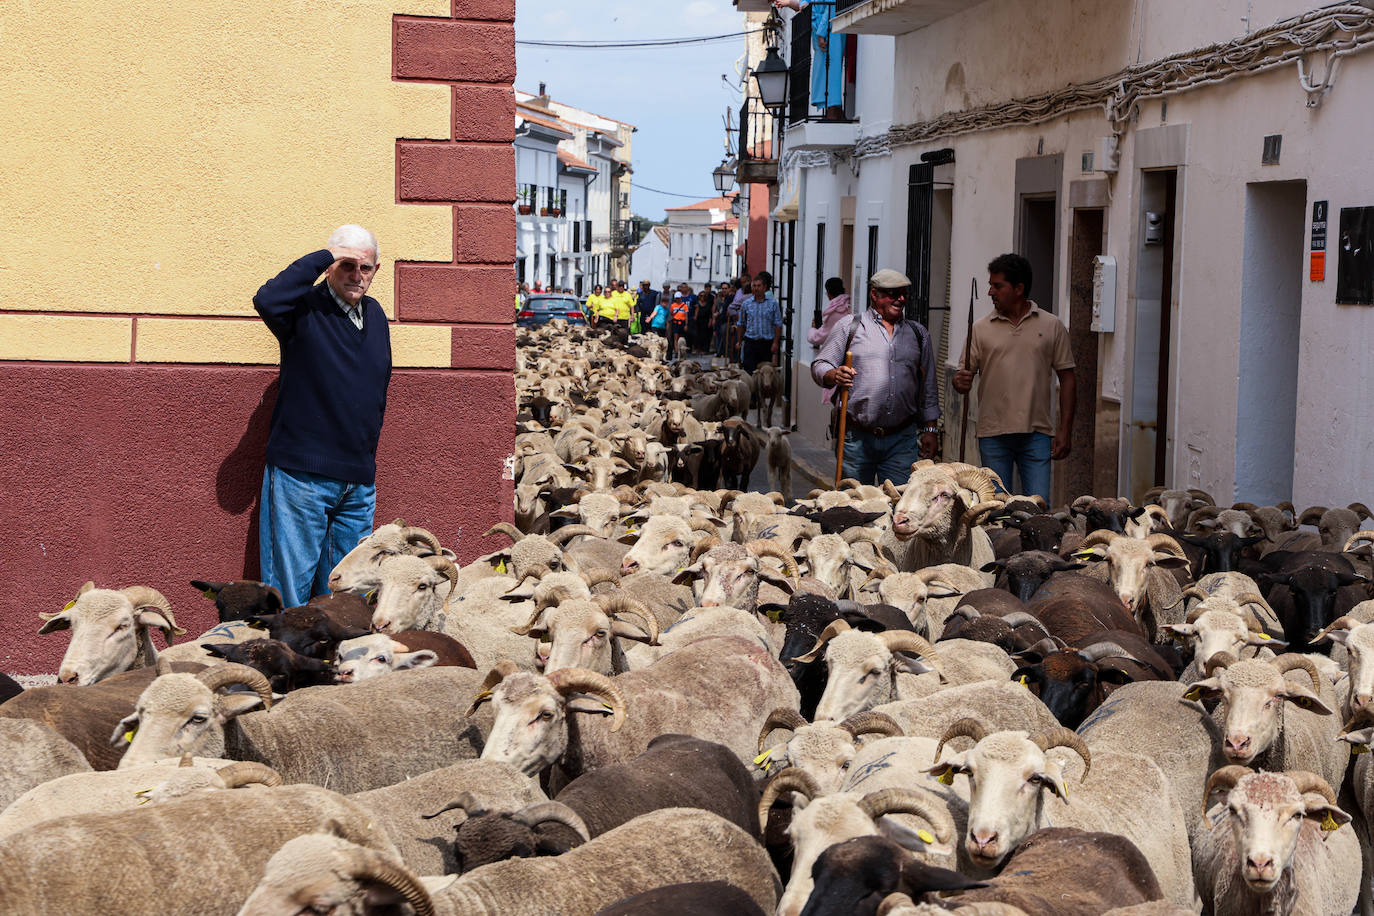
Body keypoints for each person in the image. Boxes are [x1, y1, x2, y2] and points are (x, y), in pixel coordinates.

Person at [253, 226, 392, 608]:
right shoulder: (303, 311)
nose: (356, 274)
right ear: (331, 267)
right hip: (303, 478)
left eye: (365, 267)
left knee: (347, 597)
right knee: (289, 593)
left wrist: (366, 465)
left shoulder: (376, 316)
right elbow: (267, 299)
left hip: (358, 483)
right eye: (348, 265)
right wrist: (325, 257)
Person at [953, 252, 1076, 502]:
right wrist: (960, 382)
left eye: (997, 286)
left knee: (1038, 507)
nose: (990, 292)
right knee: (996, 508)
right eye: (989, 285)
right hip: (993, 433)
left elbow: (1068, 378)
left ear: (1019, 288)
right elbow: (962, 377)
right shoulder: (979, 328)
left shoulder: (1052, 326)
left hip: (1037, 433)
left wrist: (1065, 429)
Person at [812, 269, 939, 486]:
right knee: (854, 507)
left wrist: (930, 430)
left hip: (902, 439)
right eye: (892, 293)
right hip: (856, 439)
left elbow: (929, 387)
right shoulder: (849, 326)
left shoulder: (918, 334)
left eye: (904, 294)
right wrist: (834, 374)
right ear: (874, 294)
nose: (900, 299)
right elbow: (820, 365)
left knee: (900, 508)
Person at [773, 0, 846, 120]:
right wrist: (788, 3)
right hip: (819, 31)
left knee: (833, 68)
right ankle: (829, 107)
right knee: (822, 70)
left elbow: (833, 6)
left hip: (831, 29)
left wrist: (822, 32)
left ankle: (834, 108)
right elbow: (805, 3)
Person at [736, 271, 782, 373]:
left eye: (759, 286)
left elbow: (778, 324)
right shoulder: (746, 304)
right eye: (754, 286)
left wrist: (775, 342)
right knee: (749, 371)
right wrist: (739, 341)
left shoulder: (773, 303)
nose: (756, 288)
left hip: (766, 343)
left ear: (764, 287)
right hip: (751, 342)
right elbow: (741, 323)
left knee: (765, 373)